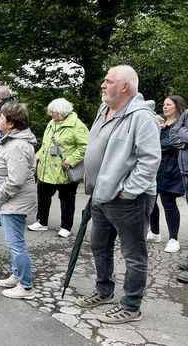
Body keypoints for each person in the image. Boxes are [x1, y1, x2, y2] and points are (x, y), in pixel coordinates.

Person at [75, 65, 160, 324]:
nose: (103, 84)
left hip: (128, 200)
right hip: (101, 195)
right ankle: (104, 291)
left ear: (125, 86)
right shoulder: (104, 109)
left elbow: (150, 160)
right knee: (100, 246)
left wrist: (128, 191)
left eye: (108, 81)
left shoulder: (141, 116)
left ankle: (131, 306)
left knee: (134, 255)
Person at [0, 102, 37, 299]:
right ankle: (18, 275)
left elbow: (16, 180)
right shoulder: (12, 141)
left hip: (13, 201)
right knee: (14, 242)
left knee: (15, 244)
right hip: (12, 201)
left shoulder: (17, 145)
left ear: (10, 123)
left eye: (1, 118)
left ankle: (26, 287)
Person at [30, 98, 88, 238]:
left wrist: (71, 160)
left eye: (54, 112)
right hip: (46, 169)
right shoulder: (51, 123)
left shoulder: (77, 126)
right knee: (42, 195)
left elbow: (86, 146)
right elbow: (46, 145)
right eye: (50, 112)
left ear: (63, 112)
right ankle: (41, 221)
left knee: (67, 199)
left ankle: (66, 227)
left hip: (64, 170)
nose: (51, 115)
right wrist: (37, 156)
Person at [148, 96, 187, 253]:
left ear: (177, 106)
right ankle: (155, 232)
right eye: (163, 104)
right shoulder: (161, 124)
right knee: (150, 199)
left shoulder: (180, 125)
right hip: (156, 167)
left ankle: (173, 239)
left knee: (168, 202)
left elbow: (169, 144)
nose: (164, 107)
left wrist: (152, 145)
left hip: (172, 168)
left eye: (168, 104)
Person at [171, 106, 188, 282]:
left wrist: (182, 130)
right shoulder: (187, 113)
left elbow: (179, 132)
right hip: (185, 170)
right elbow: (173, 134)